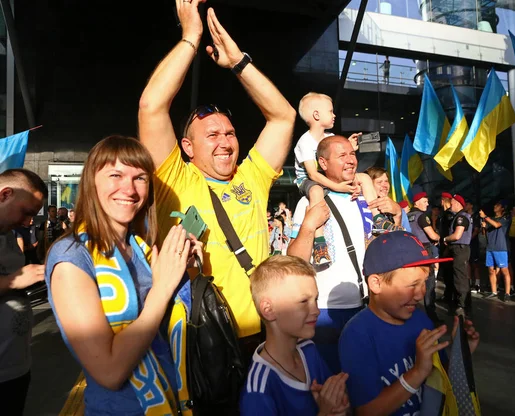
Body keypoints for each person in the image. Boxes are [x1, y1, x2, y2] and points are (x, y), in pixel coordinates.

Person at [138, 1, 296, 345]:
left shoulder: (250, 176)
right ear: (187, 147)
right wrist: (191, 37)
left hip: (264, 334)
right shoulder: (173, 179)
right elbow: (151, 107)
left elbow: (283, 116)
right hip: (200, 340)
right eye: (211, 135)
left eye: (230, 133)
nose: (225, 142)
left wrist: (239, 63)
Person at [45, 136, 198, 415]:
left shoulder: (138, 246)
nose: (129, 188)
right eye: (115, 175)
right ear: (92, 181)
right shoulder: (71, 256)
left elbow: (161, 329)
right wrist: (163, 289)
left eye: (140, 178)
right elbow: (109, 371)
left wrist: (182, 267)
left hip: (170, 400)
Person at [339, 231, 480, 416]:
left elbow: (439, 378)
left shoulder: (421, 321)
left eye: (424, 283)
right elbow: (367, 411)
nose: (420, 294)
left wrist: (461, 353)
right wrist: (417, 372)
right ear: (376, 283)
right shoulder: (357, 335)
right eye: (412, 285)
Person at [288, 136, 377, 373]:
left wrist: (394, 216)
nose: (350, 160)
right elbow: (294, 262)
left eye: (352, 154)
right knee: (329, 387)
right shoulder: (308, 203)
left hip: (366, 308)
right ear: (323, 163)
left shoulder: (365, 200)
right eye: (342, 155)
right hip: (325, 315)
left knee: (363, 381)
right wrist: (309, 226)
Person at [240, 255, 350, 415]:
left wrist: (340, 407)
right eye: (303, 301)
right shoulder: (258, 390)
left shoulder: (309, 349)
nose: (316, 311)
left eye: (316, 299)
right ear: (268, 310)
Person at [294, 92, 380, 264]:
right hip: (309, 182)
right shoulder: (305, 142)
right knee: (317, 192)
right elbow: (313, 174)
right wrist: (338, 187)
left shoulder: (330, 137)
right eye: (330, 111)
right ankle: (320, 243)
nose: (334, 115)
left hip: (326, 178)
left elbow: (334, 154)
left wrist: (348, 146)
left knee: (363, 177)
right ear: (316, 115)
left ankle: (378, 217)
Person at [0, 168, 47, 415]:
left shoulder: (8, 234)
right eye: (26, 212)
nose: (29, 222)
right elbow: (12, 280)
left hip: (16, 367)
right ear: (5, 194)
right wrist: (12, 281)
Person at [406, 192, 441, 322]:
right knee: (429, 282)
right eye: (425, 201)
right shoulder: (421, 216)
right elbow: (432, 235)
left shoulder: (408, 215)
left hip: (411, 251)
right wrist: (438, 238)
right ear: (417, 202)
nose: (427, 204)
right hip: (424, 251)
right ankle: (432, 317)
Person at [442, 194, 472, 316]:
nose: (451, 205)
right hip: (456, 248)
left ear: (459, 204)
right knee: (457, 276)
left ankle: (462, 305)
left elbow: (457, 235)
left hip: (460, 248)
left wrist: (446, 238)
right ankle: (461, 302)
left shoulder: (461, 217)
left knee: (460, 277)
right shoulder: (457, 217)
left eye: (453, 203)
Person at [481, 201, 512, 302]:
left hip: (501, 247)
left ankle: (507, 293)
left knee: (504, 271)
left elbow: (497, 225)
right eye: (495, 205)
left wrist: (485, 217)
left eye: (498, 205)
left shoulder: (505, 218)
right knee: (490, 270)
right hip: (490, 247)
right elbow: (485, 232)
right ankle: (494, 291)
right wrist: (484, 227)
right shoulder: (491, 219)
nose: (495, 206)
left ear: (502, 208)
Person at [365, 166, 410, 231]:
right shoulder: (363, 207)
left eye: (386, 181)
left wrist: (398, 215)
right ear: (369, 185)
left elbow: (405, 235)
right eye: (379, 182)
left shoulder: (399, 209)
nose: (385, 185)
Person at [439, 192, 455, 304]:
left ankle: (450, 297)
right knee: (446, 273)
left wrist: (447, 247)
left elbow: (450, 231)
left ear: (443, 201)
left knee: (449, 273)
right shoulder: (445, 214)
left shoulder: (448, 215)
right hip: (445, 245)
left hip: (447, 247)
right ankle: (448, 295)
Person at [465, 199, 481, 293]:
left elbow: (476, 230)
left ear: (471, 206)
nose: (465, 206)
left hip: (473, 242)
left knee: (475, 264)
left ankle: (477, 284)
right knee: (467, 263)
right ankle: (469, 282)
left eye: (467, 204)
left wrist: (469, 239)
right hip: (466, 243)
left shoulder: (475, 216)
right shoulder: (465, 216)